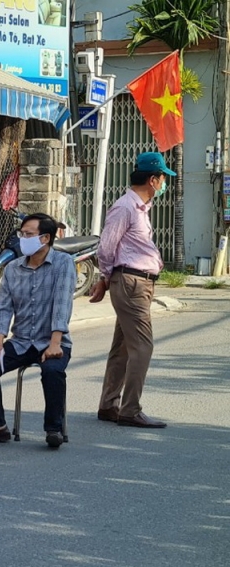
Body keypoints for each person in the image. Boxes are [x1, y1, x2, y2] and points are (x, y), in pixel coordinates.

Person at [0, 213, 75, 449]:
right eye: (22, 234)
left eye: (29, 234)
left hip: (53, 341)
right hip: (21, 342)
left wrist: (55, 343)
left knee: (52, 371)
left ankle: (54, 429)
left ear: (45, 238)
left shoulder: (63, 263)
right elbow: (4, 307)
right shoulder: (12, 268)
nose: (23, 239)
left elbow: (62, 304)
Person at [89, 152, 172, 429]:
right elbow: (106, 248)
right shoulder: (126, 207)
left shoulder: (140, 208)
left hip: (135, 282)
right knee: (143, 347)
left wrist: (107, 280)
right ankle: (130, 410)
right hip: (131, 283)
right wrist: (105, 278)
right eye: (163, 179)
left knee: (123, 347)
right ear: (153, 180)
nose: (164, 184)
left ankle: (109, 405)